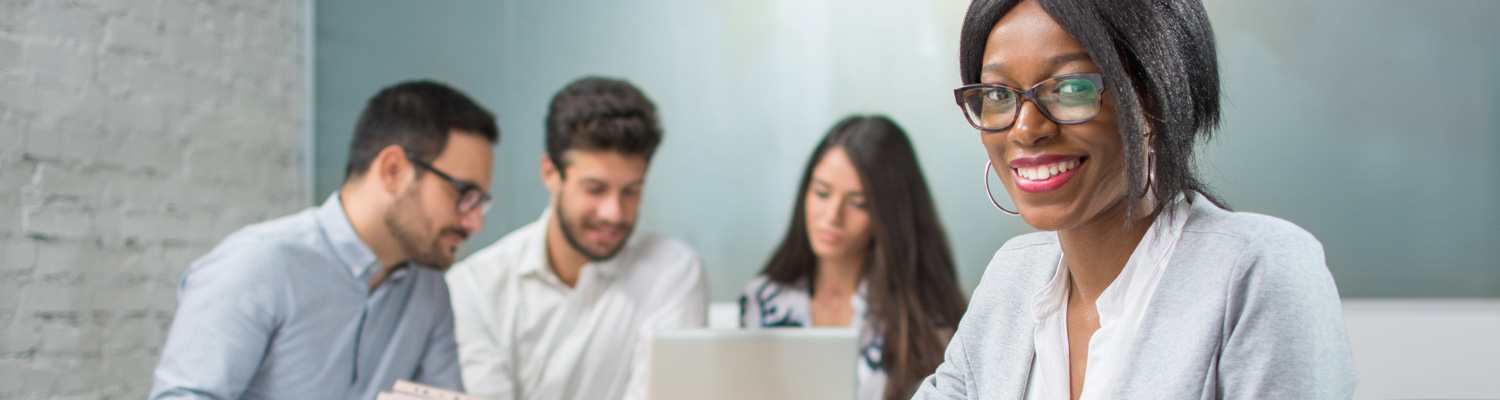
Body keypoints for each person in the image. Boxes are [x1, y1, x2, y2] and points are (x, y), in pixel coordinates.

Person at [912, 0, 1357, 398]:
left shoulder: (1259, 270)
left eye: (1070, 89)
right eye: (996, 94)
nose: (1026, 129)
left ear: (1156, 96)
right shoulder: (1013, 277)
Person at [151, 80, 499, 399]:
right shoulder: (259, 264)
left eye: (480, 201)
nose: (475, 222)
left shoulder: (429, 289)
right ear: (393, 170)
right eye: (464, 194)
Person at [445, 77, 707, 400]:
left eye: (631, 191)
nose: (614, 212)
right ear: (550, 173)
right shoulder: (475, 287)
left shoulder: (673, 271)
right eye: (594, 189)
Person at [739, 115, 968, 400]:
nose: (833, 216)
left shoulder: (922, 322)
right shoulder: (763, 302)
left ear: (888, 214)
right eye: (822, 193)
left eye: (858, 203)